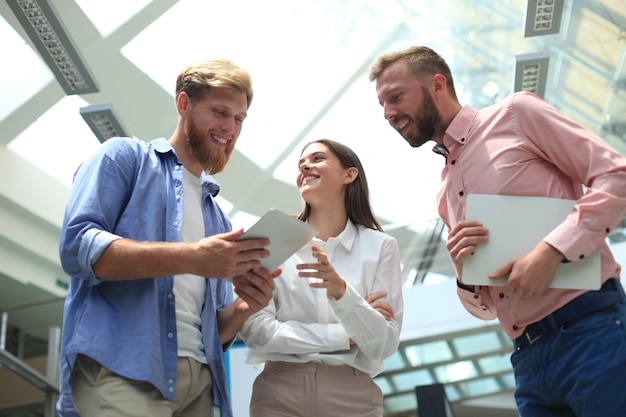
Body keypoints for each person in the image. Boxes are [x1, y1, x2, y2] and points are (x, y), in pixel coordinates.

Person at [369, 45, 626, 417]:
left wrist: (551, 251)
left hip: (590, 330)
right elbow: (489, 309)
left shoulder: (516, 115)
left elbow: (616, 176)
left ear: (437, 85)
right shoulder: (445, 195)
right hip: (528, 361)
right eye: (382, 105)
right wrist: (465, 276)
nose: (389, 114)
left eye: (395, 97)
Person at [56, 59, 280, 417]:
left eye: (239, 119)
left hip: (200, 383)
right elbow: (78, 247)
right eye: (221, 112)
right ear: (183, 104)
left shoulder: (219, 218)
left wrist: (243, 308)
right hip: (124, 367)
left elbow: (215, 333)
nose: (230, 128)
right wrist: (192, 257)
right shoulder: (124, 157)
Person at [239, 139, 404, 417]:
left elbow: (383, 344)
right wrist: (347, 333)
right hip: (278, 394)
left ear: (349, 175)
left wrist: (341, 292)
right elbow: (257, 332)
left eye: (317, 158)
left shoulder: (381, 247)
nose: (305, 165)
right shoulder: (271, 240)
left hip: (353, 397)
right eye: (301, 162)